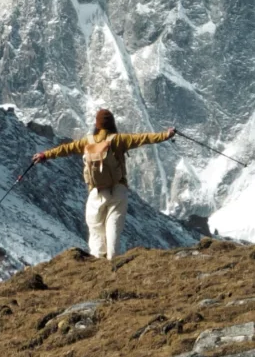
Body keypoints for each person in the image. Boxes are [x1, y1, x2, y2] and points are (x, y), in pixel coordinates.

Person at [33, 108, 175, 259]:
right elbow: (143, 138)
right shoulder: (119, 139)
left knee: (95, 229)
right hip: (118, 189)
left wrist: (45, 155)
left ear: (97, 125)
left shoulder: (88, 141)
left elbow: (66, 149)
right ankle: (112, 259)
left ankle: (97, 260)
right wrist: (166, 135)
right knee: (113, 227)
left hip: (97, 191)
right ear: (112, 124)